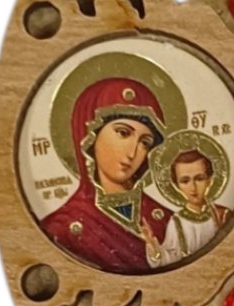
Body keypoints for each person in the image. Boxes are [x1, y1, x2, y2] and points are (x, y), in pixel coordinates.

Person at [39, 75, 175, 273]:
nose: (132, 153)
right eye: (123, 133)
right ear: (89, 136)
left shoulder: (167, 221)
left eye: (145, 142)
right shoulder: (63, 228)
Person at [153, 135, 231, 266]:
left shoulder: (222, 215)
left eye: (199, 179)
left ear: (209, 180)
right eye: (185, 181)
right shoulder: (176, 222)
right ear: (176, 185)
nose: (193, 187)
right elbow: (170, 259)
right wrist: (154, 251)